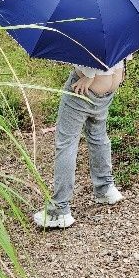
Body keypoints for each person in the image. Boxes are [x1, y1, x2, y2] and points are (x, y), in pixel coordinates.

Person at [33, 57, 130, 229]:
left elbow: (92, 49)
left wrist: (90, 75)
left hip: (85, 86)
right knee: (98, 136)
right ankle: (105, 187)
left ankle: (59, 209)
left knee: (67, 143)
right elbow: (122, 49)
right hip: (111, 83)